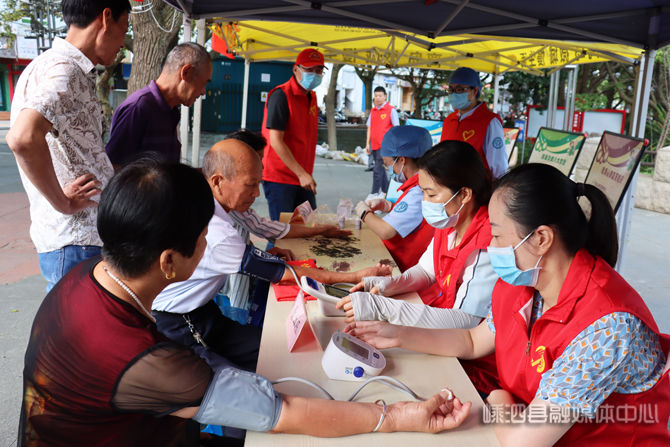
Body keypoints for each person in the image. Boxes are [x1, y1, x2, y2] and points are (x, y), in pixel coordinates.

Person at [18, 157, 472, 446]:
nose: (209, 244)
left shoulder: (83, 276)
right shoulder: (148, 363)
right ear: (170, 261)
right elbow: (279, 412)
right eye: (201, 240)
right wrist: (395, 417)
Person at [346, 163, 670, 446]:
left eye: (498, 236)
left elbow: (522, 441)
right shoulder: (526, 282)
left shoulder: (607, 327)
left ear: (542, 238)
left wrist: (499, 398)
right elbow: (473, 340)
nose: (491, 245)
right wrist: (397, 335)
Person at [151, 139, 392, 370]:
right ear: (217, 181)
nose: (257, 193)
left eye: (259, 183)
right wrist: (357, 275)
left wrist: (260, 254)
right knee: (264, 364)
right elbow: (285, 273)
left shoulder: (211, 201)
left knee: (271, 348)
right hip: (181, 322)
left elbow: (252, 240)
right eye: (250, 184)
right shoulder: (218, 231)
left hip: (204, 311)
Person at [343, 140, 500, 395]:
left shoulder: (488, 241)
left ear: (464, 194)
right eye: (423, 192)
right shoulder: (450, 222)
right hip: (442, 331)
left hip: (471, 358)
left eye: (431, 194)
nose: (425, 201)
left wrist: (386, 310)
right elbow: (427, 271)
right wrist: (385, 286)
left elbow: (466, 323)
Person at [6, 0, 130, 291]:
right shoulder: (66, 71)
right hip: (77, 242)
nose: (123, 43)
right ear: (106, 19)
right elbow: (23, 138)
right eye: (124, 29)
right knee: (75, 334)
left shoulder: (53, 66)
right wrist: (62, 202)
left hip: (77, 242)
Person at [221, 129, 353, 325]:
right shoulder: (226, 210)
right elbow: (264, 234)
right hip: (226, 290)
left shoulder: (230, 203)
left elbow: (258, 233)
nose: (257, 194)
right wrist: (353, 276)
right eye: (256, 159)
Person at [106, 42, 212, 166]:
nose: (203, 91)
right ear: (186, 72)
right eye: (204, 83)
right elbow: (112, 168)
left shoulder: (171, 110)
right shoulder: (138, 107)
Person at [354, 125, 434, 273]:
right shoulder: (422, 184)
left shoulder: (418, 190)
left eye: (388, 164)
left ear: (402, 160)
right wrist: (388, 206)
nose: (389, 169)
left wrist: (364, 213)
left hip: (403, 267)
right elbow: (414, 215)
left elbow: (386, 231)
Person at [261, 48, 324, 220]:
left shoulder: (312, 97)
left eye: (319, 70)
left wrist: (304, 174)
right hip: (280, 178)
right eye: (309, 69)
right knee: (282, 234)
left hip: (303, 177)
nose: (315, 74)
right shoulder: (281, 95)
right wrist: (301, 173)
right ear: (296, 69)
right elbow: (275, 140)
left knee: (308, 227)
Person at [440, 67, 507, 179]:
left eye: (460, 89)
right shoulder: (449, 120)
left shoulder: (490, 122)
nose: (453, 94)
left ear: (475, 91)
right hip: (449, 187)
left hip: (478, 190)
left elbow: (498, 167)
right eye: (451, 89)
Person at [365, 86, 399, 196]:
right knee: (382, 171)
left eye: (380, 96)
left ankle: (374, 193)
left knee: (377, 170)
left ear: (385, 96)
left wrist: (394, 144)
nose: (378, 98)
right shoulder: (373, 110)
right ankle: (387, 192)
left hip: (385, 146)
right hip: (374, 144)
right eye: (376, 96)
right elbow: (369, 127)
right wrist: (367, 143)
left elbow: (396, 128)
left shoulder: (391, 110)